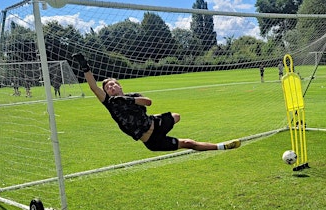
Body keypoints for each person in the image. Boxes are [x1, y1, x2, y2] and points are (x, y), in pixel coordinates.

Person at [71, 53, 241, 152]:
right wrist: (85, 67)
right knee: (187, 143)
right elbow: (93, 87)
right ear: (107, 92)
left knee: (176, 116)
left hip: (156, 124)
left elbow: (148, 102)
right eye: (108, 87)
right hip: (152, 141)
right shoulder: (110, 102)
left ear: (120, 85)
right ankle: (222, 146)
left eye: (114, 84)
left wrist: (128, 100)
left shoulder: (132, 96)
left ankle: (222, 146)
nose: (112, 87)